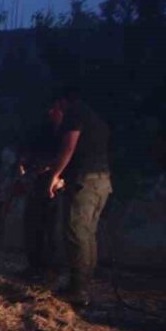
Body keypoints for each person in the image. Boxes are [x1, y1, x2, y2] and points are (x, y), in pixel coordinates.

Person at [46, 87, 111, 307]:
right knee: (87, 234)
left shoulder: (75, 114)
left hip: (85, 181)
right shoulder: (94, 116)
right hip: (101, 181)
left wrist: (55, 175)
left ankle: (78, 290)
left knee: (75, 232)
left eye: (55, 106)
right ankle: (81, 284)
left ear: (62, 102)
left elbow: (68, 146)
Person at [14, 107, 63, 281]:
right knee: (32, 224)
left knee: (51, 227)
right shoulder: (41, 132)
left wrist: (54, 173)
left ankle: (50, 270)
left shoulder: (65, 133)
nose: (50, 112)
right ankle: (35, 266)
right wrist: (25, 168)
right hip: (37, 181)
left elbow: (64, 158)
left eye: (54, 109)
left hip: (55, 185)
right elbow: (25, 154)